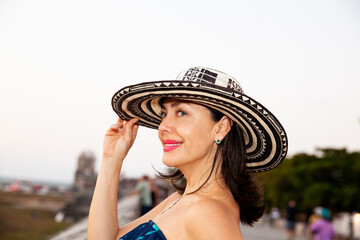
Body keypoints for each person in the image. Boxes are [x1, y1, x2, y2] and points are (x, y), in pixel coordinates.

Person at [87, 66, 288, 240]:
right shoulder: (181, 198)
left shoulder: (206, 212)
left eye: (182, 113)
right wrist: (111, 159)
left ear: (220, 128)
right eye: (164, 114)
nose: (163, 126)